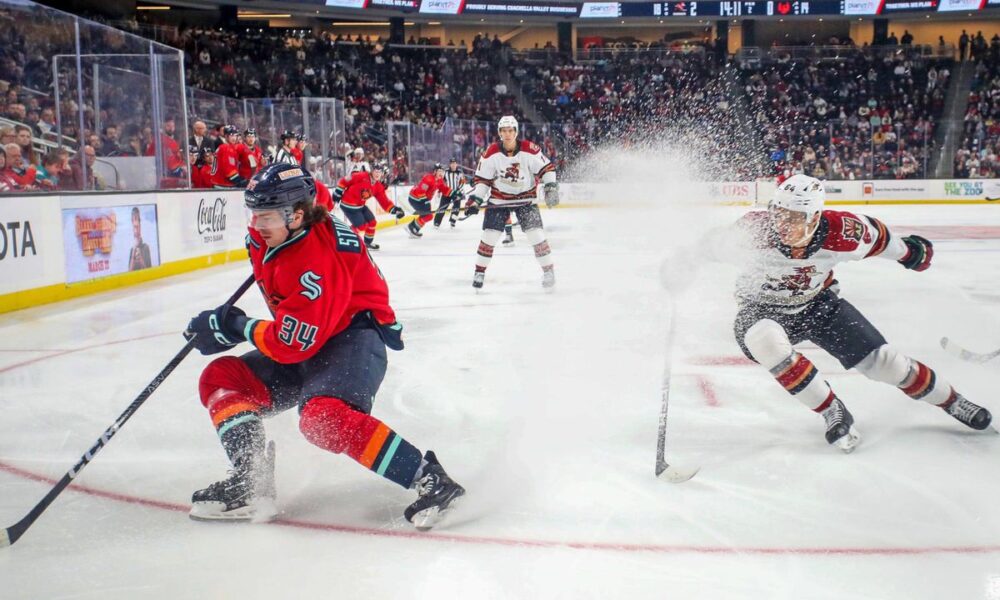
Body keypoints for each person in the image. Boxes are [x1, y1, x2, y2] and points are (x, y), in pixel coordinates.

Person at [182, 163, 464, 529]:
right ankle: (251, 481)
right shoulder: (277, 234)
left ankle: (431, 480)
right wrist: (223, 324)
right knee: (222, 377)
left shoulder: (314, 262)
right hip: (315, 334)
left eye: (265, 216)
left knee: (323, 419)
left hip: (351, 340)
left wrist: (236, 326)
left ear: (296, 215)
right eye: (254, 214)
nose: (256, 225)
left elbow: (290, 346)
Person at [664, 175, 992, 453]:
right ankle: (831, 409)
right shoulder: (753, 232)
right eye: (780, 214)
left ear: (815, 217)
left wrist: (909, 253)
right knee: (767, 342)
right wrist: (683, 264)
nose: (785, 225)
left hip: (819, 305)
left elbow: (879, 238)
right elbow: (708, 247)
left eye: (796, 217)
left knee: (887, 364)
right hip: (759, 309)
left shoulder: (843, 231)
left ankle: (952, 401)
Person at [465, 115, 558, 290]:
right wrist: (475, 199)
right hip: (499, 200)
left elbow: (547, 169)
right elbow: (483, 180)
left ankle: (548, 271)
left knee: (536, 235)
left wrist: (551, 187)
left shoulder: (529, 149)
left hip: (526, 200)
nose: (507, 134)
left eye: (510, 130)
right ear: (499, 132)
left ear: (515, 131)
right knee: (489, 236)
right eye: (503, 131)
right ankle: (479, 271)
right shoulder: (491, 152)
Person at [333, 161, 405, 250]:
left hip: (360, 206)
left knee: (372, 222)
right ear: (372, 171)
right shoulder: (362, 176)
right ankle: (344, 238)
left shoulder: (378, 186)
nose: (377, 174)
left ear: (382, 173)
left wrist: (395, 210)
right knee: (361, 226)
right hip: (348, 205)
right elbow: (345, 180)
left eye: (379, 172)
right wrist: (338, 192)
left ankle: (367, 243)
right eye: (376, 171)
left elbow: (384, 202)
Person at [406, 163, 459, 238]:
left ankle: (413, 228)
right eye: (439, 171)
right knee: (428, 215)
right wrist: (426, 201)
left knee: (428, 216)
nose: (441, 173)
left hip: (423, 200)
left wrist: (455, 193)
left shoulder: (439, 180)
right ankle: (412, 227)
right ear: (435, 171)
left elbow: (444, 189)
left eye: (442, 171)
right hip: (415, 199)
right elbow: (420, 191)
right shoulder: (428, 178)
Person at [434, 157, 467, 228]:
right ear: (450, 164)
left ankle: (452, 221)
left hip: (456, 193)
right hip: (447, 192)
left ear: (456, 164)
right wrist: (440, 191)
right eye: (452, 163)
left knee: (456, 208)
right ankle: (437, 222)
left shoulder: (460, 173)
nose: (453, 165)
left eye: (454, 163)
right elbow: (441, 181)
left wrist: (459, 191)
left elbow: (463, 182)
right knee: (442, 208)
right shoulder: (445, 172)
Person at [128, 206, 152, 271]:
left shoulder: (146, 247)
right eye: (134, 227)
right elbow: (129, 273)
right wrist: (134, 252)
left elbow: (149, 272)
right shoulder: (132, 250)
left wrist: (141, 259)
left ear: (140, 227)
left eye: (137, 227)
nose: (135, 231)